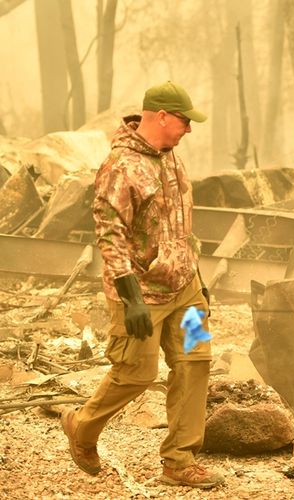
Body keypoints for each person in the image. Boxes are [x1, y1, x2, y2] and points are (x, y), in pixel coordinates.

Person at [60, 81, 224, 488]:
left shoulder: (173, 159)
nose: (189, 130)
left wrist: (199, 282)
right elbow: (109, 233)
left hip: (184, 289)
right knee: (136, 373)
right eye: (185, 121)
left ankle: (179, 462)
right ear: (162, 116)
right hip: (141, 294)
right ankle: (82, 427)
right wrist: (130, 295)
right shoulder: (121, 166)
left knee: (195, 362)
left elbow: (183, 230)